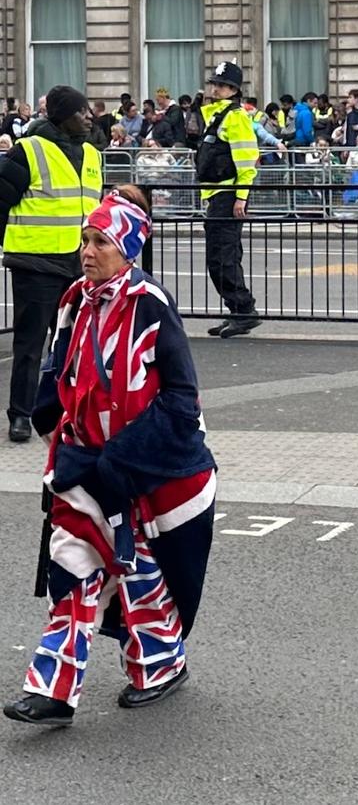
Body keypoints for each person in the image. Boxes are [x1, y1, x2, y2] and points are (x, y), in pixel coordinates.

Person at [3, 186, 216, 727]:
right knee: (73, 566)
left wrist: (124, 459)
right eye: (85, 239)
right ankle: (52, 691)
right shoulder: (75, 297)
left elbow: (180, 397)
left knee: (141, 571)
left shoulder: (150, 304)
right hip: (82, 463)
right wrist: (50, 410)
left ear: (127, 247)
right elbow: (61, 362)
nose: (87, 250)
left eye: (100, 241)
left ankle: (161, 664)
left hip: (144, 469)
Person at [0, 85, 102, 443]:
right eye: (81, 110)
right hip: (36, 264)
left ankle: (66, 410)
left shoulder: (92, 154)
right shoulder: (29, 150)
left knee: (74, 346)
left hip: (79, 266)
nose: (89, 116)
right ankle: (21, 415)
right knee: (29, 345)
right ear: (61, 115)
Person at [198, 61, 260, 338]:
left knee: (221, 258)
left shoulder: (235, 117)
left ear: (233, 89)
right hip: (218, 194)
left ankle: (243, 310)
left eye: (221, 85)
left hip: (228, 195)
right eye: (214, 83)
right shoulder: (219, 116)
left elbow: (247, 162)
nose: (215, 88)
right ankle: (238, 310)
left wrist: (241, 198)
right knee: (222, 257)